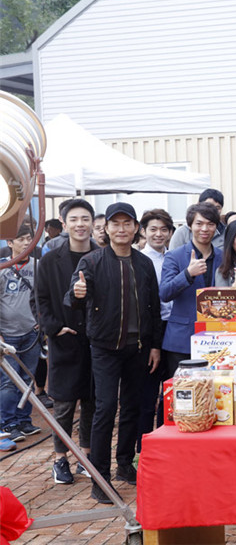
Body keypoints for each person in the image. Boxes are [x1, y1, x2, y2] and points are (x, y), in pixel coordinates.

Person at [66, 202, 163, 503]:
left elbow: (154, 307)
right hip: (104, 348)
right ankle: (100, 478)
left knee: (133, 406)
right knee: (105, 408)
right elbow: (73, 297)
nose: (121, 229)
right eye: (115, 224)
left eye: (127, 223)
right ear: (106, 228)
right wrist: (77, 294)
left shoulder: (143, 263)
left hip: (138, 348)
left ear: (135, 228)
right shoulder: (92, 261)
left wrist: (155, 345)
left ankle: (124, 464)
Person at [34, 199, 97, 485]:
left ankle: (86, 456)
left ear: (93, 222)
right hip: (64, 341)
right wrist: (55, 328)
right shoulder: (50, 260)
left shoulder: (102, 256)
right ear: (64, 223)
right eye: (74, 219)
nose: (80, 224)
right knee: (64, 405)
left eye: (85, 218)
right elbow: (39, 300)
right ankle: (60, 459)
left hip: (96, 342)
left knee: (92, 401)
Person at [159, 202, 223, 378]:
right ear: (190, 226)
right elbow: (165, 293)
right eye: (199, 223)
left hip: (217, 339)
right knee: (182, 389)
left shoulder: (223, 257)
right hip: (182, 339)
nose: (205, 229)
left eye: (210, 224)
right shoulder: (175, 256)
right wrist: (187, 274)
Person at [0, 224, 41, 449]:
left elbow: (44, 297)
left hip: (31, 333)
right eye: (21, 239)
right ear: (9, 243)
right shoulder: (2, 268)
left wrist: (42, 322)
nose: (26, 243)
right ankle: (8, 423)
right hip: (7, 336)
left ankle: (24, 420)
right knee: (8, 382)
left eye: (29, 238)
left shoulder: (38, 266)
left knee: (27, 379)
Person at [137, 209, 174, 449]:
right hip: (149, 329)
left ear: (170, 233)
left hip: (173, 327)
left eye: (163, 229)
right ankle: (142, 446)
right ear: (143, 231)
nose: (158, 234)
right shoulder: (140, 260)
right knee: (147, 392)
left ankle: (164, 441)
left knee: (170, 390)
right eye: (153, 229)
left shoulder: (175, 258)